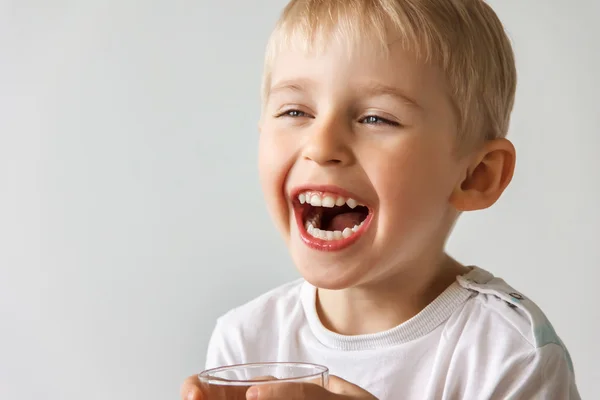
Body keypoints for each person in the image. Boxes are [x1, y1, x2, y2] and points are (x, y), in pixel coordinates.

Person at [181, 0, 580, 398]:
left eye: (376, 118)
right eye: (295, 111)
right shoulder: (245, 342)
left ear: (476, 175)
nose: (321, 146)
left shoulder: (510, 355)